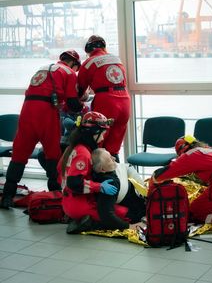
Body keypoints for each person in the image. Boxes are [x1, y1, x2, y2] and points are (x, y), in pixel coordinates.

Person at [0, 50, 83, 209]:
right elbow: (72, 103)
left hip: (27, 110)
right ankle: (56, 196)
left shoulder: (43, 68)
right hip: (46, 113)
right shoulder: (69, 72)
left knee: (19, 154)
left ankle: (7, 197)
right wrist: (82, 105)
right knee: (52, 155)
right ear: (73, 63)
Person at [57, 111, 141, 234]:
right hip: (79, 204)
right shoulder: (83, 153)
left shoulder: (73, 148)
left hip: (68, 201)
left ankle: (82, 219)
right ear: (93, 133)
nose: (102, 138)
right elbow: (74, 183)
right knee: (127, 214)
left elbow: (60, 172)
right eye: (101, 133)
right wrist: (99, 186)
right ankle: (90, 223)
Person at [152, 134, 212, 227]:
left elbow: (165, 172)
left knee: (194, 212)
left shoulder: (191, 154)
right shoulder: (210, 150)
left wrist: (153, 179)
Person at [77, 35, 131, 163]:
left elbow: (80, 89)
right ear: (104, 46)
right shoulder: (116, 59)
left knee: (98, 143)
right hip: (125, 101)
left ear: (88, 50)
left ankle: (99, 180)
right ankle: (117, 177)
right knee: (114, 147)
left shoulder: (89, 62)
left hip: (106, 101)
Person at [92, 148, 146, 226]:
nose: (114, 158)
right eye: (110, 159)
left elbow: (128, 166)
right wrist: (129, 227)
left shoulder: (111, 168)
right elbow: (106, 215)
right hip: (135, 211)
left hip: (137, 194)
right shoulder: (110, 185)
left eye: (111, 156)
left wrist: (143, 186)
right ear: (102, 169)